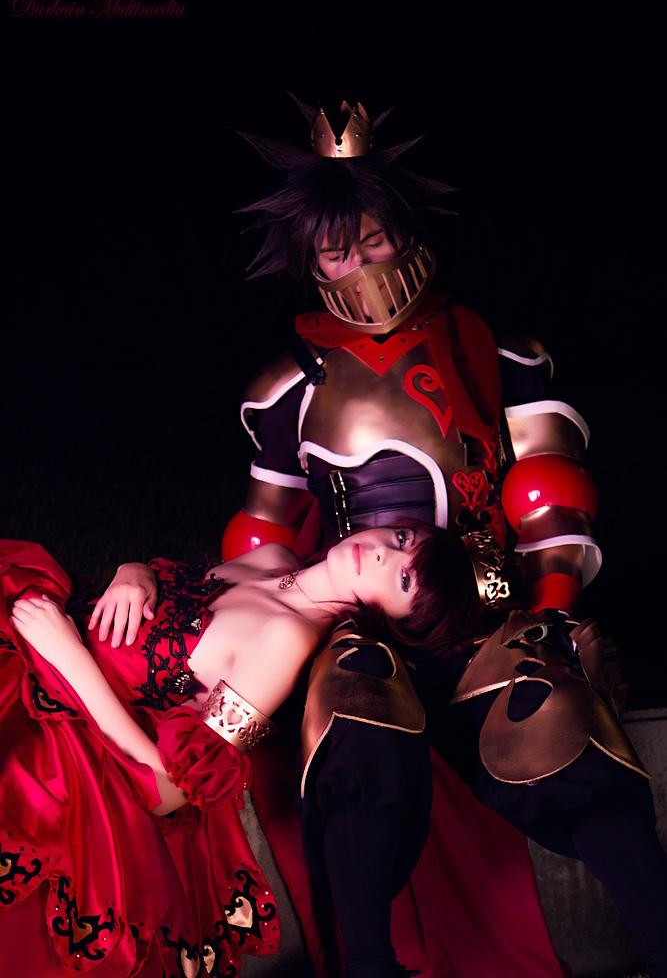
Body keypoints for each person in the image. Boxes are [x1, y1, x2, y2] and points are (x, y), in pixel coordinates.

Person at [222, 98, 667, 978]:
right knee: (354, 720)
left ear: (407, 230)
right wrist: (248, 625)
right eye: (336, 251)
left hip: (487, 598)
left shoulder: (493, 353)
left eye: (373, 239)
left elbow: (550, 491)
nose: (360, 264)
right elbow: (264, 525)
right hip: (361, 613)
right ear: (309, 262)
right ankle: (369, 968)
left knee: (553, 723)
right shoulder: (289, 386)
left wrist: (551, 608)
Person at [1, 526, 466, 978]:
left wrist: (68, 655)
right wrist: (134, 572)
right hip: (40, 635)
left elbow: (170, 792)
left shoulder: (288, 639)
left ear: (393, 621)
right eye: (403, 539)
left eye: (403, 579)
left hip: (70, 721)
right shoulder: (275, 558)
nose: (384, 552)